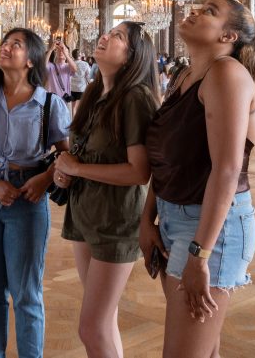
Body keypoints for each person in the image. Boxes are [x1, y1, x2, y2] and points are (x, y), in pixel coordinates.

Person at [140, 0, 255, 358]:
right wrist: (147, 218)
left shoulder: (226, 73)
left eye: (209, 11)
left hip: (213, 228)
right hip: (174, 218)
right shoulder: (185, 76)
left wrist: (200, 255)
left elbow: (227, 169)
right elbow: (166, 157)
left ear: (228, 36)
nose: (195, 11)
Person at [0, 28, 71, 358]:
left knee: (27, 294)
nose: (5, 47)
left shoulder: (48, 104)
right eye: (5, 43)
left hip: (28, 198)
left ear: (31, 60)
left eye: (16, 45)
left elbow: (67, 156)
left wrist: (45, 179)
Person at [51, 21, 159, 358]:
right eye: (109, 32)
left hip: (115, 219)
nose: (105, 36)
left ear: (132, 56)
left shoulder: (136, 98)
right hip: (85, 213)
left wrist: (79, 169)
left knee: (91, 327)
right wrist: (65, 172)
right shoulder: (96, 93)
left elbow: (139, 172)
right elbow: (82, 155)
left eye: (117, 36)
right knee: (103, 320)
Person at [69, 48, 92, 113]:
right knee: (79, 108)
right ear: (80, 55)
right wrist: (91, 84)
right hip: (81, 88)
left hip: (72, 88)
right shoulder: (85, 64)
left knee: (73, 107)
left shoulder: (70, 64)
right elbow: (88, 76)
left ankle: (73, 118)